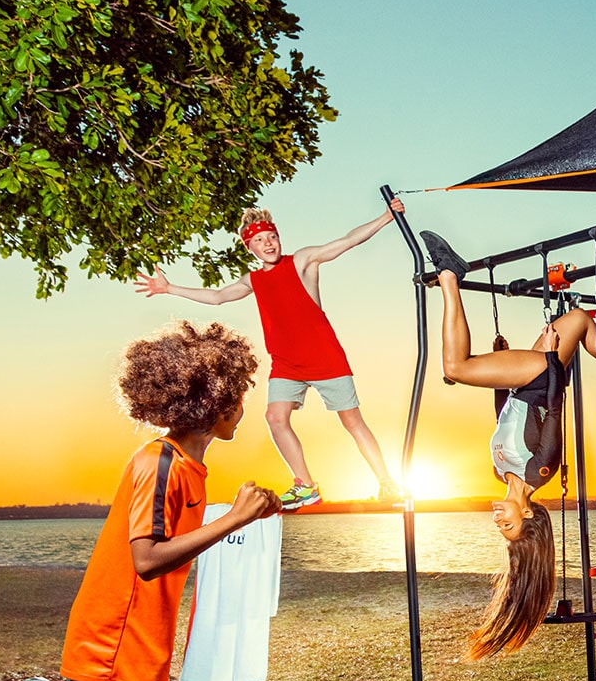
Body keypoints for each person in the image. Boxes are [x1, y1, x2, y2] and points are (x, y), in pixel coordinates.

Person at [2, 322, 280, 681]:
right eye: (237, 396)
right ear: (210, 404)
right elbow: (147, 559)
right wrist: (233, 519)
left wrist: (251, 514)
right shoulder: (159, 462)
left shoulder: (186, 466)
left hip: (136, 641)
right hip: (115, 643)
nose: (242, 407)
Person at [420, 231, 596, 661]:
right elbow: (555, 408)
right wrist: (553, 361)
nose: (498, 520)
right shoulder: (541, 471)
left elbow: (505, 419)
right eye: (509, 525)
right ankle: (450, 276)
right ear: (530, 517)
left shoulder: (500, 472)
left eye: (501, 528)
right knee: (455, 367)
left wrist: (497, 364)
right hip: (541, 381)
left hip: (520, 385)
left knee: (578, 320)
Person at [136, 201, 409, 508]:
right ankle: (306, 486)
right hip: (286, 364)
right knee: (275, 418)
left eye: (272, 237)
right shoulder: (253, 280)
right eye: (259, 241)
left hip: (326, 359)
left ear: (279, 238)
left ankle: (386, 483)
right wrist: (169, 288)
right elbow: (217, 297)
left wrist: (387, 216)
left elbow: (347, 241)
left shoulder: (303, 261)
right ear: (250, 248)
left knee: (352, 422)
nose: (268, 244)